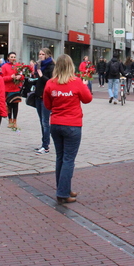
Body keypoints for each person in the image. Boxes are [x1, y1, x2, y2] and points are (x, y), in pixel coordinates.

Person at [43, 54, 93, 204]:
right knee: (68, 159)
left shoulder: (50, 83)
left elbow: (47, 105)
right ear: (71, 66)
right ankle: (63, 192)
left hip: (56, 124)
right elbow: (88, 99)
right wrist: (84, 85)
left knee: (60, 157)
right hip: (72, 124)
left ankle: (63, 188)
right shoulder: (76, 82)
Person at [33, 48, 55, 154]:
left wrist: (41, 76)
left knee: (45, 122)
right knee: (41, 121)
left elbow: (51, 82)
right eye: (39, 54)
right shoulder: (39, 66)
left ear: (48, 55)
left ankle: (46, 146)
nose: (40, 56)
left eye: (42, 54)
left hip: (45, 97)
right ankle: (43, 143)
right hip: (38, 95)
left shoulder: (51, 66)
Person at [1, 51, 23, 130]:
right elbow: (2, 78)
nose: (13, 58)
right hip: (8, 89)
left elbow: (22, 76)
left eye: (14, 57)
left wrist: (19, 77)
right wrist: (10, 77)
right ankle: (10, 121)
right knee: (9, 105)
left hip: (16, 89)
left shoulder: (18, 66)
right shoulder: (4, 66)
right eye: (11, 57)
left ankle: (15, 121)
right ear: (8, 58)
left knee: (16, 106)